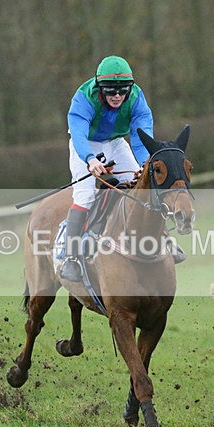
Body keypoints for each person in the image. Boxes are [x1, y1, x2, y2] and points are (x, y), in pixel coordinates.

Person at [60, 55, 154, 282]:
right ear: (100, 88)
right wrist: (90, 159)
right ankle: (71, 258)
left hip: (116, 143)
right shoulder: (83, 98)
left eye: (123, 91)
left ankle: (163, 240)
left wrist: (145, 165)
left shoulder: (136, 98)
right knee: (85, 195)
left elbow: (141, 137)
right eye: (111, 92)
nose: (118, 96)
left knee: (143, 186)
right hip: (86, 144)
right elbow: (79, 135)